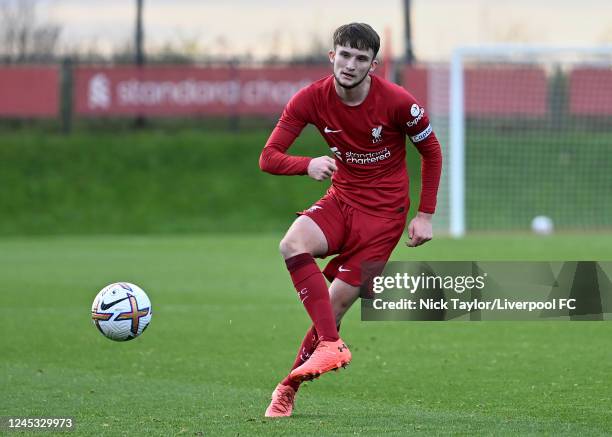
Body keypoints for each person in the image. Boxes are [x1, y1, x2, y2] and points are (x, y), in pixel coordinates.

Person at [259, 22, 442, 418]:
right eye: (345, 55)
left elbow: (432, 151)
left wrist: (425, 214)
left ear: (372, 65)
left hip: (384, 218)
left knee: (335, 303)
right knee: (291, 243)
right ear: (332, 56)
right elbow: (268, 156)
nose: (351, 64)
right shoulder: (310, 99)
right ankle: (330, 343)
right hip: (341, 200)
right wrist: (306, 164)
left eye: (361, 58)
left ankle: (288, 388)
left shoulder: (398, 102)